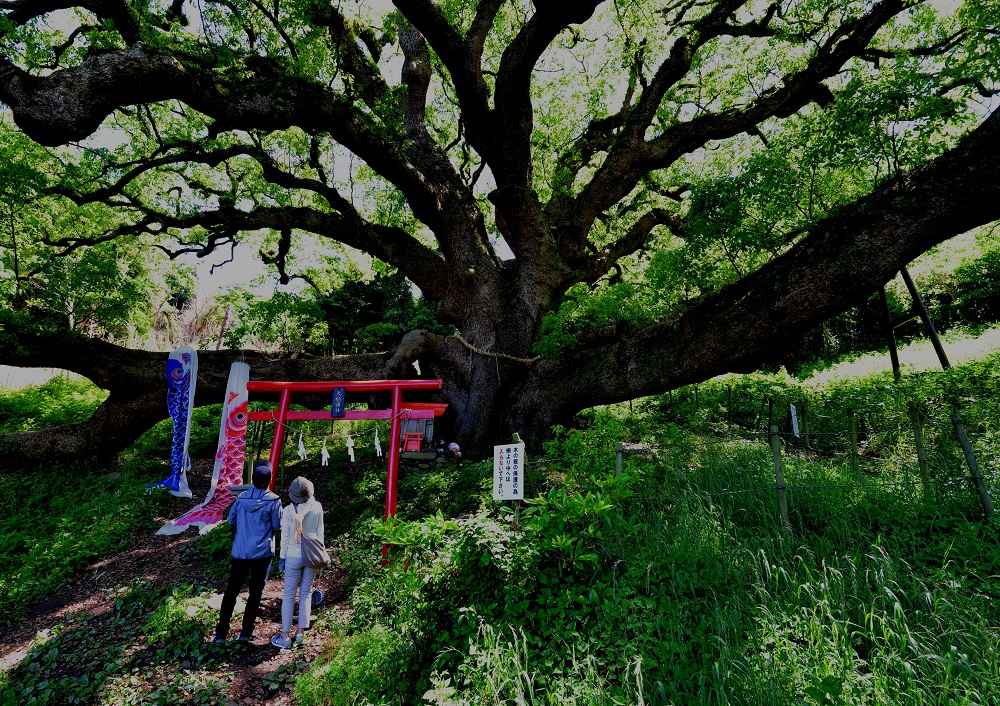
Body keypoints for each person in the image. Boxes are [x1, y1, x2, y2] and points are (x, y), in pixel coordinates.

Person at [213, 460, 282, 644]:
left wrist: (243, 526)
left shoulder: (241, 498)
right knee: (255, 593)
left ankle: (221, 633)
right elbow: (277, 525)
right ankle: (245, 633)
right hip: (262, 554)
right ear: (269, 480)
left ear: (252, 479)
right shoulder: (274, 500)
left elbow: (230, 520)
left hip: (240, 552)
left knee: (231, 592)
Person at [271, 475, 324, 649]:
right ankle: (300, 633)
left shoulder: (288, 511)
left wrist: (282, 558)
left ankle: (285, 637)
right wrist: (320, 556)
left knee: (288, 595)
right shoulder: (317, 507)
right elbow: (320, 534)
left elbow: (285, 537)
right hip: (311, 555)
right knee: (306, 593)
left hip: (293, 555)